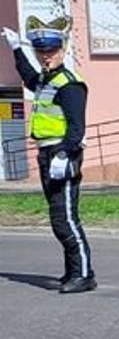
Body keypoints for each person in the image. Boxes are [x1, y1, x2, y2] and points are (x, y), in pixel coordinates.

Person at [4, 17, 94, 293]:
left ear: (63, 50)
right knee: (59, 219)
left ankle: (84, 275)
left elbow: (77, 128)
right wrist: (17, 49)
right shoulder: (46, 80)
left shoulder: (69, 85)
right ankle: (72, 272)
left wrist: (64, 154)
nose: (46, 56)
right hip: (47, 153)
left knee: (65, 219)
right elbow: (29, 78)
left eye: (51, 51)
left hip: (62, 153)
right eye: (41, 51)